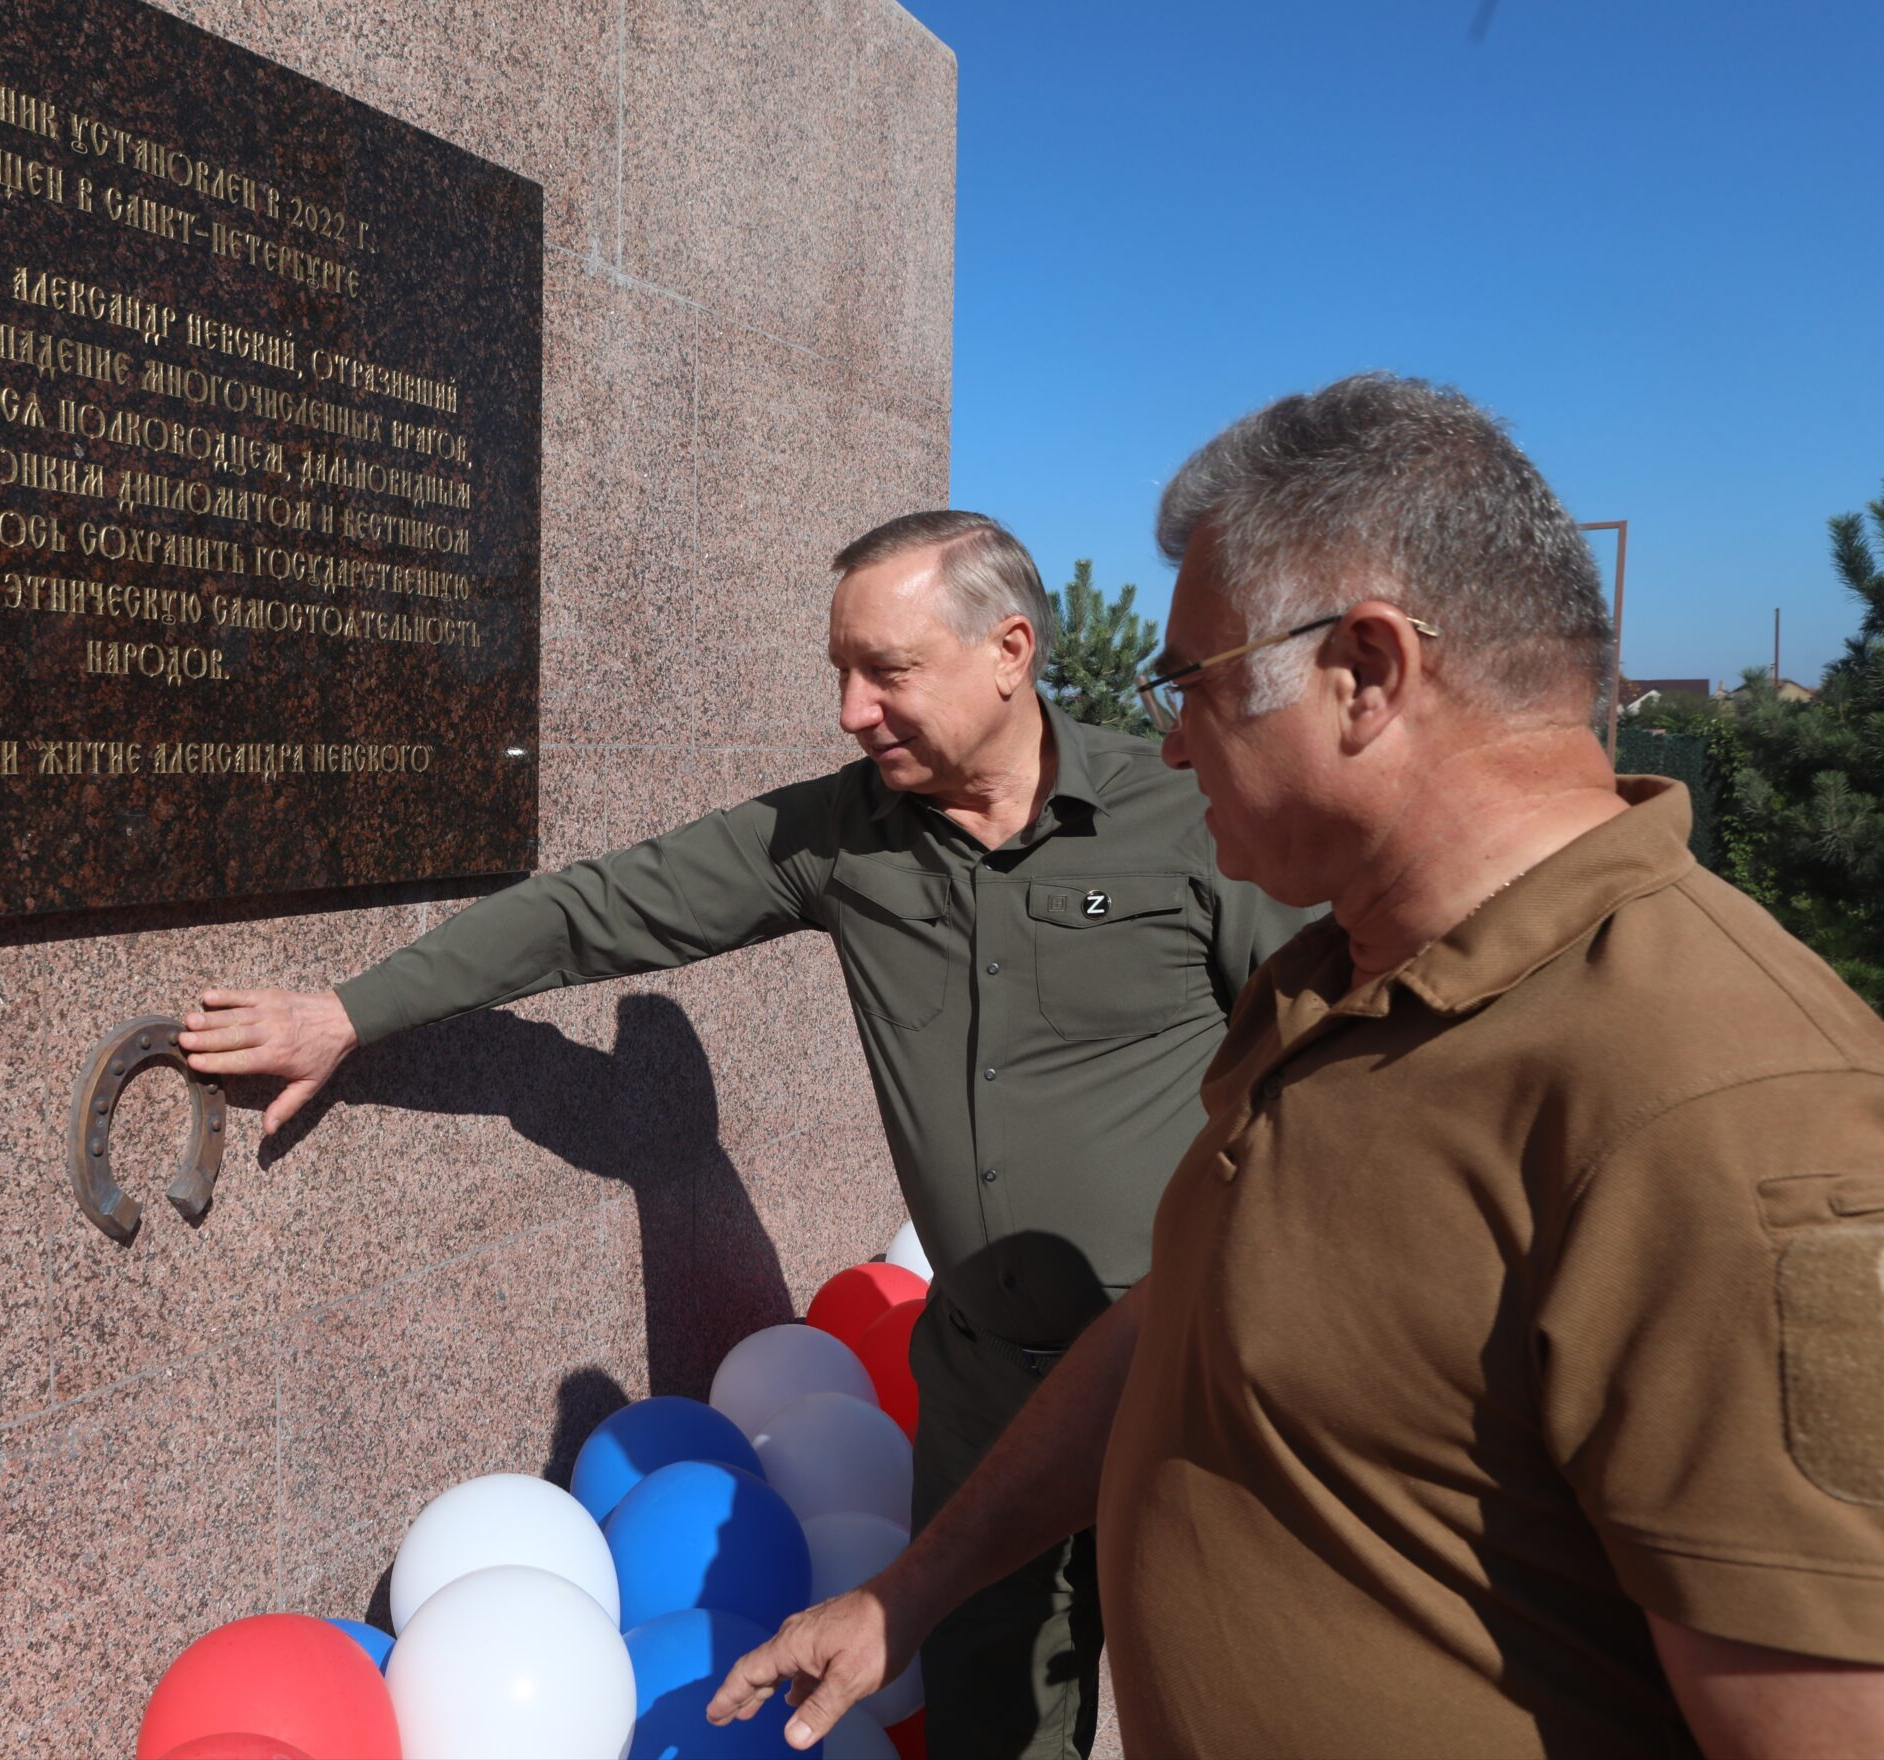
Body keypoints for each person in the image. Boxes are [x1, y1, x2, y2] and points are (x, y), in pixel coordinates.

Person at [709, 374, 1884, 1758]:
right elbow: (1174, 1322)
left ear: (1367, 674)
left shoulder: (1724, 1102)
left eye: (1193, 684)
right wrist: (915, 1589)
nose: (1164, 737)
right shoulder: (1326, 987)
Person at [178, 508, 1310, 1759]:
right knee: (999, 1731)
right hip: (986, 1398)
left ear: (1010, 650)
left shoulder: (1188, 819)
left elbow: (1342, 1070)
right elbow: (595, 911)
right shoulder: (840, 838)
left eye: (886, 670)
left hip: (1185, 1382)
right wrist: (347, 1011)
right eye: (839, 670)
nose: (849, 709)